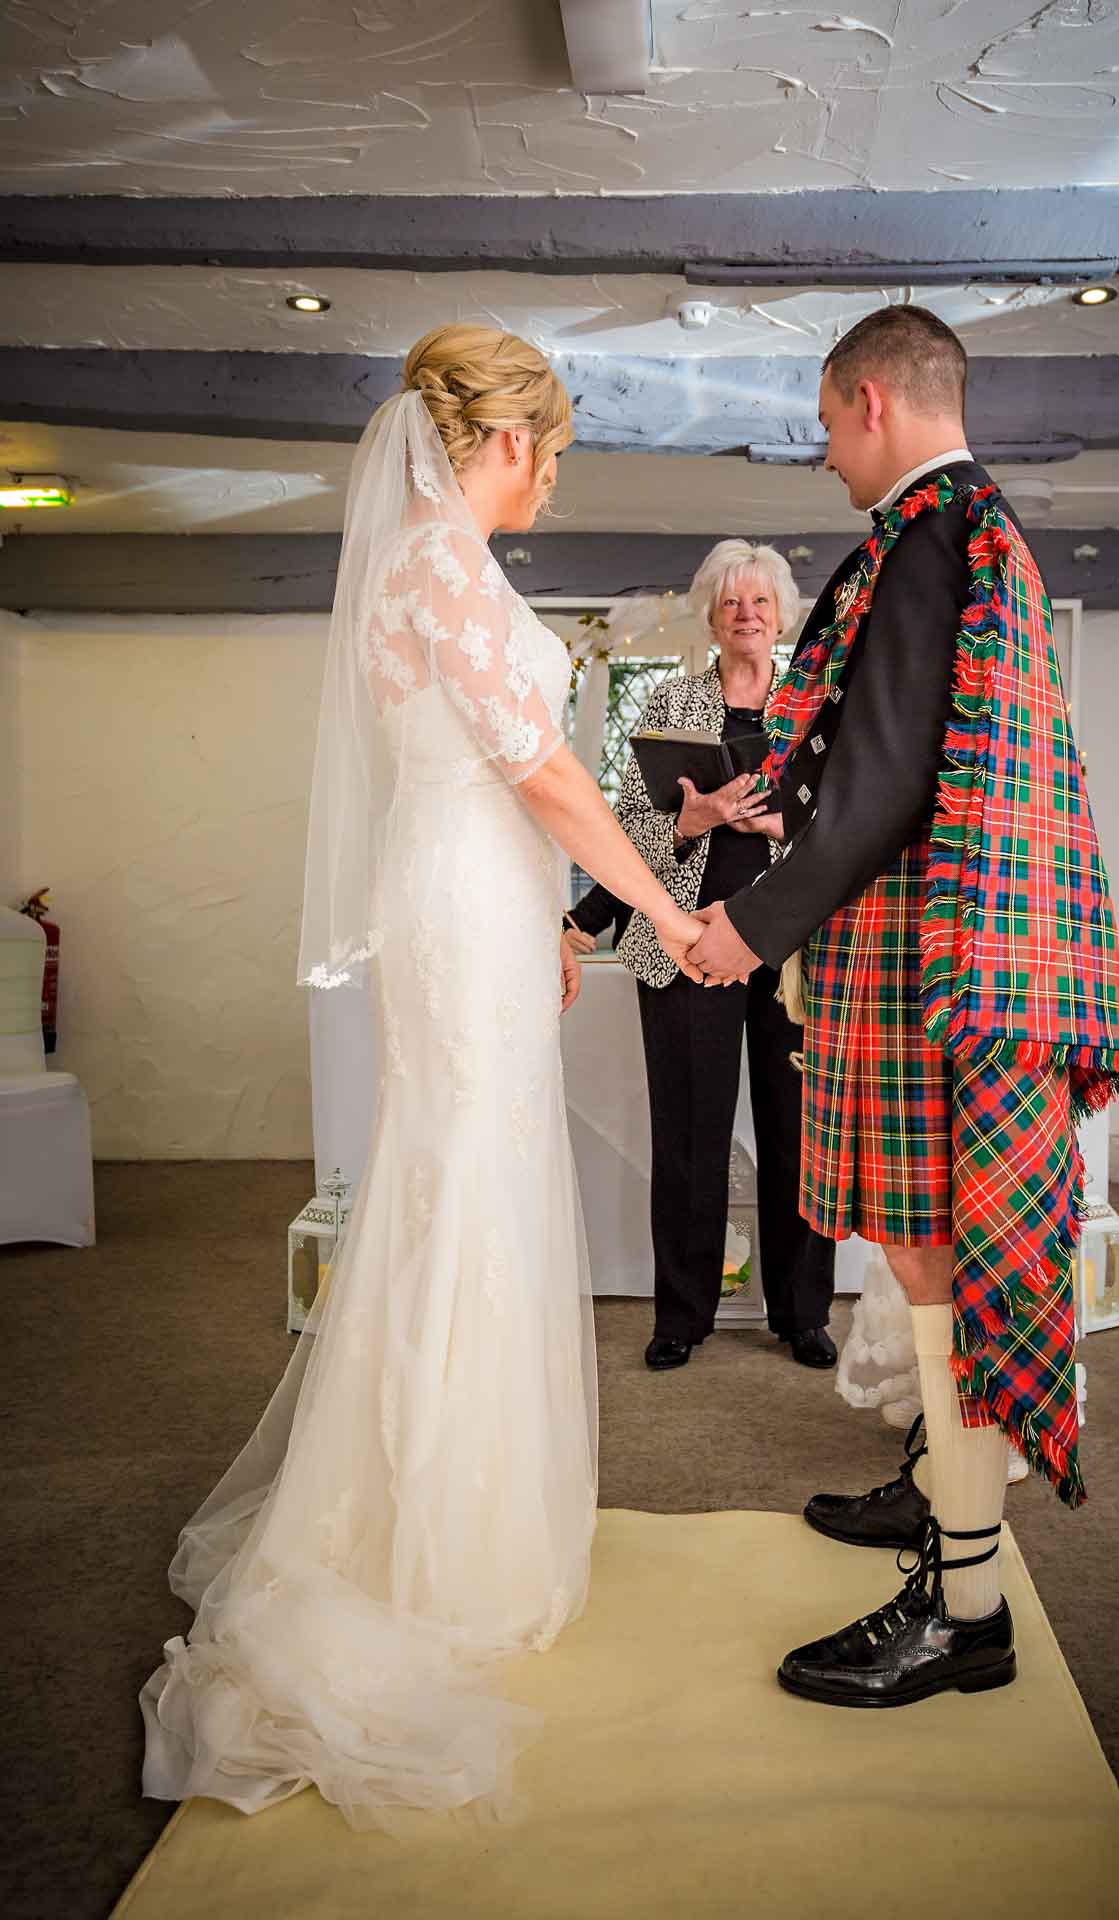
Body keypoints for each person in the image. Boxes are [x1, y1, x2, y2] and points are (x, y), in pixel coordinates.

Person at [138, 325, 706, 1828]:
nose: (555, 480)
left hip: (469, 896)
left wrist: (543, 911)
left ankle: (457, 1515)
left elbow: (497, 780)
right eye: (554, 453)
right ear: (501, 443)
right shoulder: (444, 569)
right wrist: (655, 909)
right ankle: (439, 1549)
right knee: (463, 1192)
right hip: (455, 893)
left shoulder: (428, 566)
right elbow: (539, 770)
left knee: (466, 1179)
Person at [689, 306, 1119, 1706]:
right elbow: (875, 762)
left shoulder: (931, 532)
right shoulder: (952, 526)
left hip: (929, 971)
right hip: (941, 960)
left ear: (868, 397)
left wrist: (746, 930)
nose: (824, 454)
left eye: (827, 424)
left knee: (940, 1267)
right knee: (922, 1261)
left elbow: (886, 785)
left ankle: (965, 1605)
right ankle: (945, 1505)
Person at [606, 540, 837, 1372]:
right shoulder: (670, 702)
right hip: (687, 947)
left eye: (762, 602)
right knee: (690, 1137)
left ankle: (802, 1311)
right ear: (710, 617)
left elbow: (847, 828)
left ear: (782, 617)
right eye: (732, 602)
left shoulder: (815, 709)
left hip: (794, 953)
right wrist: (690, 822)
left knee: (800, 1137)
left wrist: (779, 826)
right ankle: (682, 1316)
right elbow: (620, 837)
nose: (747, 614)